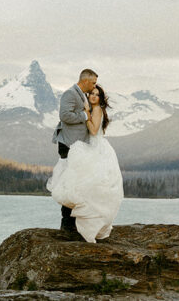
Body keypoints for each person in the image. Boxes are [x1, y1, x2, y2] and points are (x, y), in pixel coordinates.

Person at [47, 81, 124, 242]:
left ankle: (79, 223)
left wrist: (86, 114)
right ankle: (75, 223)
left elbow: (94, 130)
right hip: (91, 147)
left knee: (84, 184)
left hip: (96, 149)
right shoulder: (92, 108)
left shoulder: (95, 110)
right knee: (85, 186)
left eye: (97, 94)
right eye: (92, 94)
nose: (94, 96)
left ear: (101, 98)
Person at [51, 69, 98, 233]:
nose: (94, 86)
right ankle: (67, 224)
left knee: (77, 183)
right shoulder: (70, 94)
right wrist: (85, 116)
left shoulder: (83, 95)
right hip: (69, 145)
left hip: (78, 147)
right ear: (85, 80)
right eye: (93, 83)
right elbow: (65, 116)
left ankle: (74, 223)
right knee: (69, 183)